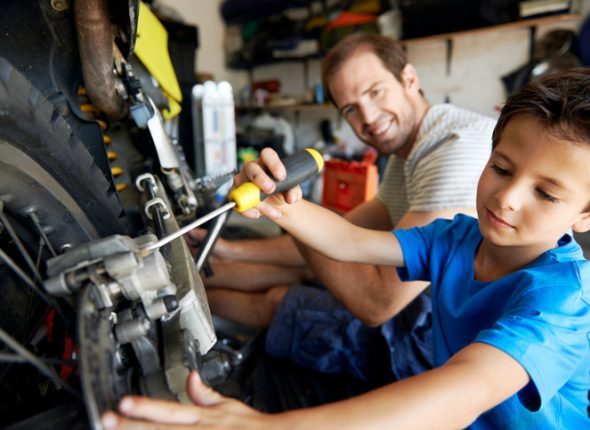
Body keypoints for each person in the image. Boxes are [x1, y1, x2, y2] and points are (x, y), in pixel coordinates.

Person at [102, 68, 590, 429]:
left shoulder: (563, 301)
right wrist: (279, 204)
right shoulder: (459, 237)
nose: (507, 197)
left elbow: (468, 387)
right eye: (502, 169)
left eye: (546, 193)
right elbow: (351, 241)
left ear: (585, 215)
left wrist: (272, 427)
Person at [191, 32, 496, 381]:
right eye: (350, 109)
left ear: (409, 79)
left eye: (375, 91)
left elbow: (377, 301)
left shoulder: (455, 148)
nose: (367, 117)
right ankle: (190, 288)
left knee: (282, 300)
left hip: (450, 343)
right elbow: (343, 235)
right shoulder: (409, 150)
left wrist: (285, 210)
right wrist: (229, 251)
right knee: (307, 268)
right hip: (428, 305)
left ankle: (189, 308)